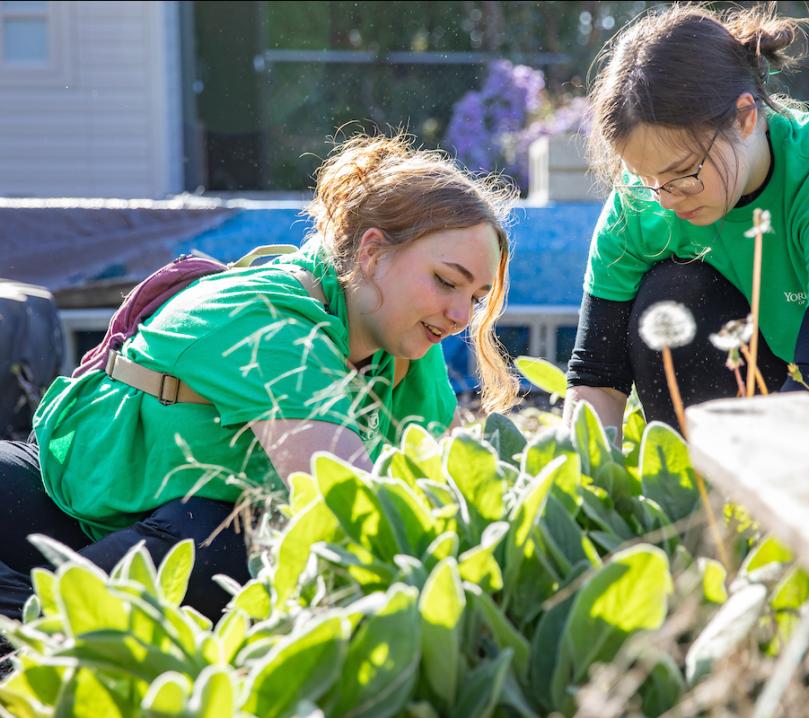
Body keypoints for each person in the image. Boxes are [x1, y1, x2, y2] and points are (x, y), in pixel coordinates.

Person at [0, 134, 519, 621]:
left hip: (164, 520)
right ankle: (35, 629)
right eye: (445, 281)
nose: (458, 315)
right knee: (229, 545)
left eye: (475, 298)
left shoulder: (406, 344)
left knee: (228, 539)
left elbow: (431, 488)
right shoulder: (272, 319)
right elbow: (351, 506)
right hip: (67, 492)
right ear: (372, 251)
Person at [564, 3, 809, 434]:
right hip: (776, 370)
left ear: (746, 117)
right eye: (645, 177)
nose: (664, 200)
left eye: (683, 174)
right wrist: (587, 484)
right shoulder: (643, 198)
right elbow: (595, 377)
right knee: (673, 292)